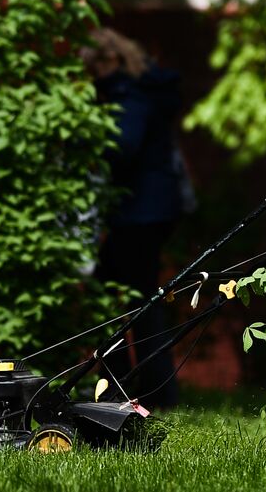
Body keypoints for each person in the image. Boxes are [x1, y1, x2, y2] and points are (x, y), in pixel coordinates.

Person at [81, 26, 190, 408]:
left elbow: (123, 146)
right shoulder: (146, 89)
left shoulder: (129, 95)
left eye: (93, 69)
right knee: (138, 300)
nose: (92, 78)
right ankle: (140, 388)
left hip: (140, 212)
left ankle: (125, 388)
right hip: (153, 209)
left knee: (120, 298)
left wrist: (85, 135)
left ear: (108, 60)